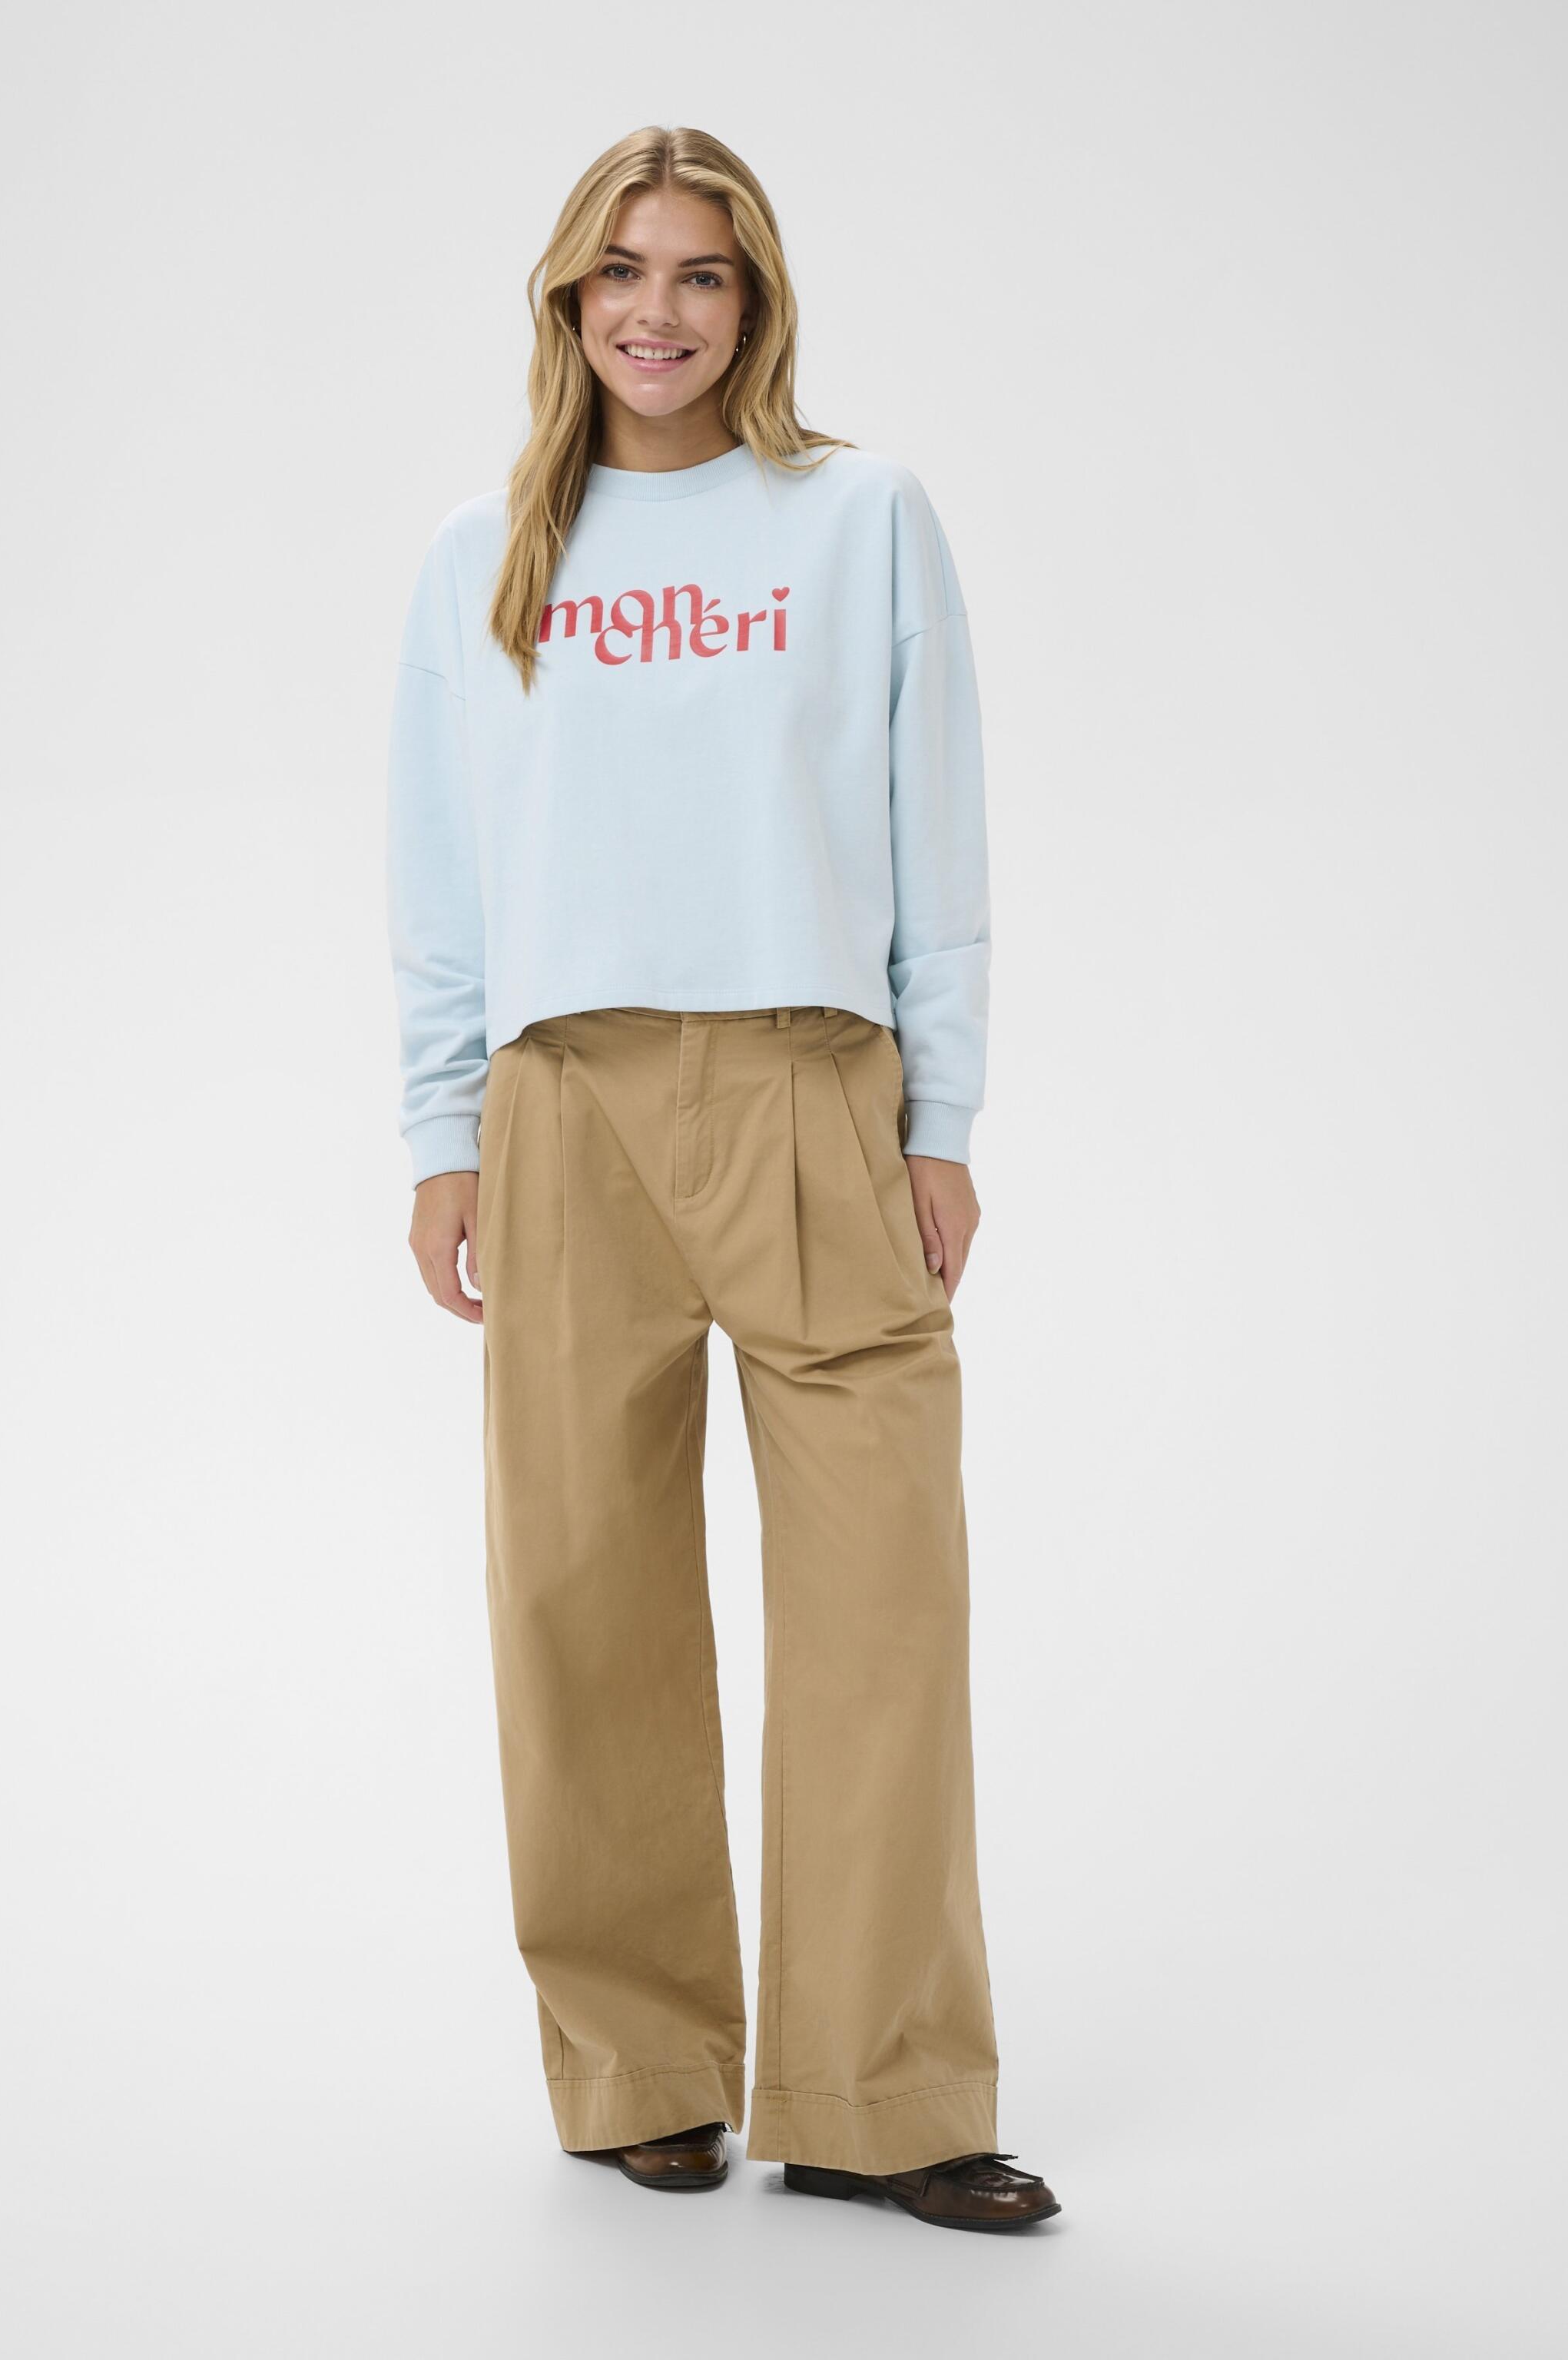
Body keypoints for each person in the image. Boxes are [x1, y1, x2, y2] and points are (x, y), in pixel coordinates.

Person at [386, 124, 1059, 2235]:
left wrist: (939, 1120)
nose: (656, 313)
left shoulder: (859, 517)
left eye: (700, 274)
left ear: (756, 303)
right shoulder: (486, 550)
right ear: (565, 301)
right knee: (578, 1595)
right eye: (620, 273)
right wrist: (441, 1133)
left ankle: (881, 2094)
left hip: (807, 1084)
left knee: (883, 1600)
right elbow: (441, 872)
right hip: (561, 1100)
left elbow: (936, 825)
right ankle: (640, 2066)